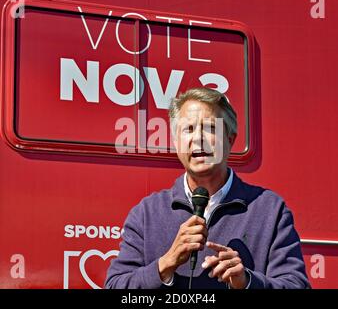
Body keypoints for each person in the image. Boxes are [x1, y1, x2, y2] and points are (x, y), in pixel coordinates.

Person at [104, 87, 310, 289]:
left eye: (211, 128)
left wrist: (246, 282)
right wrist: (166, 263)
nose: (198, 138)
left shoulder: (269, 209)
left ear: (230, 140)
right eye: (189, 129)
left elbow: (296, 284)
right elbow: (115, 285)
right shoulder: (147, 213)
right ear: (176, 142)